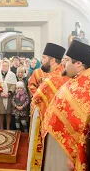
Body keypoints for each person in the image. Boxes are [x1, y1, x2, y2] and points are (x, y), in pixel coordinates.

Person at [42, 40, 90, 171]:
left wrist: (72, 155)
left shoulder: (85, 89)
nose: (63, 63)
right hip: (57, 144)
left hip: (65, 153)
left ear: (79, 64)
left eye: (67, 60)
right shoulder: (77, 81)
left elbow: (81, 126)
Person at [27, 43, 68, 171]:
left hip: (51, 124)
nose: (41, 60)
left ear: (52, 60)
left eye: (44, 57)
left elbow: (37, 99)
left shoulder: (54, 78)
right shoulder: (60, 74)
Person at [0, 59, 17, 130]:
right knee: (0, 112)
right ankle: (1, 126)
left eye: (6, 66)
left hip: (9, 96)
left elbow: (14, 85)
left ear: (9, 66)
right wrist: (0, 92)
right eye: (3, 65)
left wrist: (9, 92)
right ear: (1, 66)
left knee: (8, 113)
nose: (5, 67)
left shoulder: (12, 75)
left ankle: (8, 127)